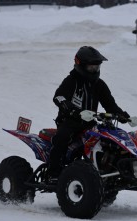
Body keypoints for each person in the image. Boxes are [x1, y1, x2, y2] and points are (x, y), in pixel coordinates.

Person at [48, 46, 130, 178]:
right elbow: (59, 97)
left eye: (97, 67)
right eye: (91, 67)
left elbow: (110, 104)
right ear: (80, 64)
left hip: (89, 123)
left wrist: (122, 115)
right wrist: (74, 111)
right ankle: (53, 173)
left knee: (110, 139)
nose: (95, 70)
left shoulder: (99, 84)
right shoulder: (71, 80)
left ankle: (110, 170)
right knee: (61, 138)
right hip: (69, 122)